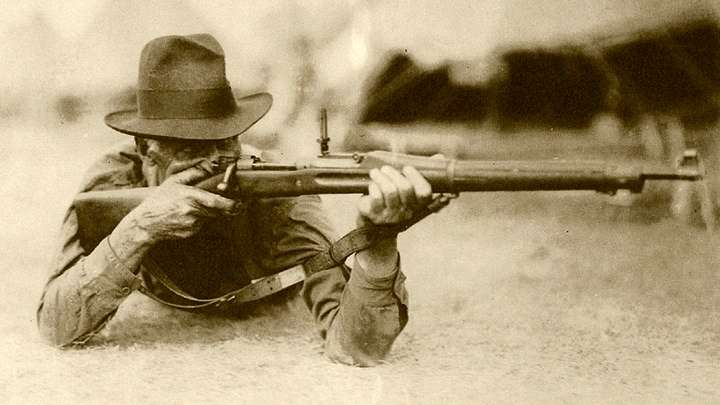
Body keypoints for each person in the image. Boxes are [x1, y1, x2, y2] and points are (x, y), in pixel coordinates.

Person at [36, 34, 438, 366]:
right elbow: (56, 328)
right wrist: (138, 229)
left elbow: (357, 351)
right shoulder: (115, 180)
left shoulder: (277, 194)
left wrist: (379, 243)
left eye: (222, 140)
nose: (213, 159)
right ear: (145, 147)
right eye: (189, 146)